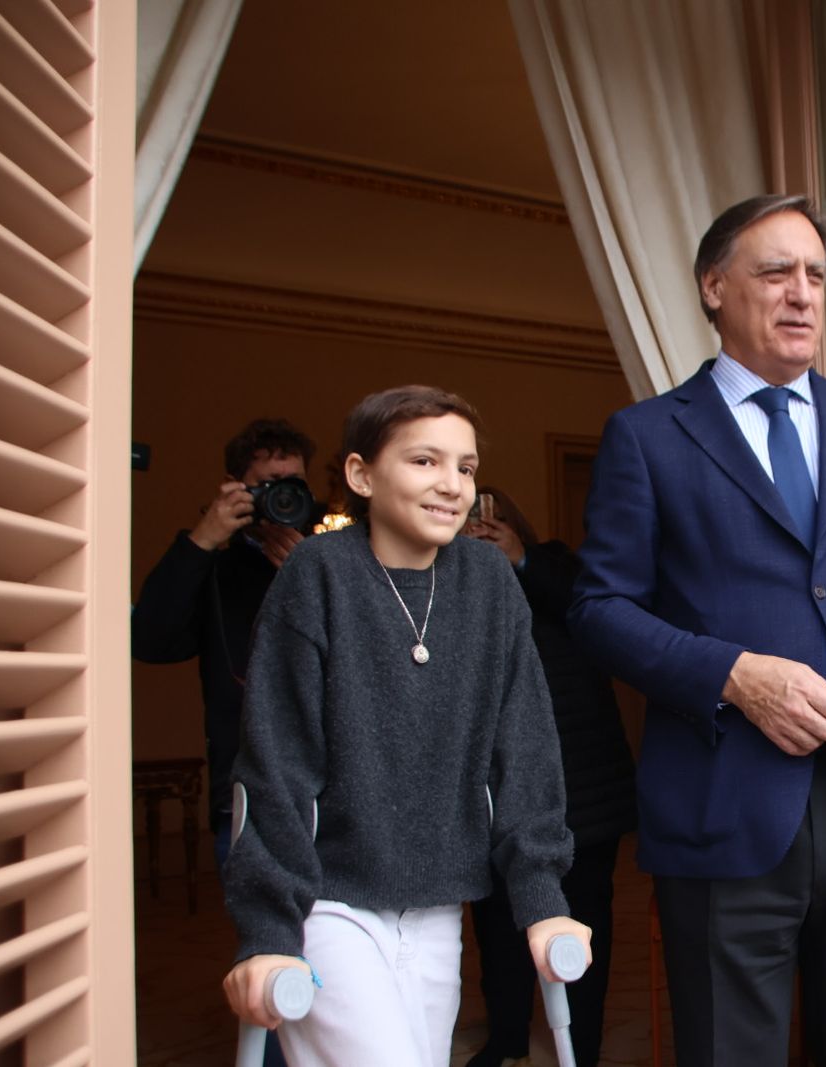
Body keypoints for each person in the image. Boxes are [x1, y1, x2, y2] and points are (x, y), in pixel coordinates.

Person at [568, 195, 826, 1066]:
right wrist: (733, 675)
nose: (802, 294)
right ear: (714, 287)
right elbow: (597, 611)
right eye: (775, 272)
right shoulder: (647, 438)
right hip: (723, 815)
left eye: (817, 276)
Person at [221, 385, 591, 1066]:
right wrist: (269, 928)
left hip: (438, 903)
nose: (451, 484)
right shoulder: (318, 574)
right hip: (328, 901)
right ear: (362, 474)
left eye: (466, 466)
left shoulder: (488, 580)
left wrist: (542, 895)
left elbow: (526, 750)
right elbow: (276, 764)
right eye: (425, 461)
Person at [464, 488, 636, 1067]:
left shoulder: (558, 566)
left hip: (585, 788)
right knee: (496, 924)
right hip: (494, 790)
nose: (477, 530)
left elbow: (594, 613)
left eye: (488, 520)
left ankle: (581, 1048)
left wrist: (521, 559)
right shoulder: (452, 587)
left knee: (586, 923)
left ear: (514, 523)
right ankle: (507, 1036)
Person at [131, 417, 316, 872]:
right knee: (268, 940)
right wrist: (203, 540)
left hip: (333, 792)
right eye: (269, 485)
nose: (283, 497)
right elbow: (152, 641)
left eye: (295, 485)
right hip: (245, 792)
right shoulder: (213, 566)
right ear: (235, 488)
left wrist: (308, 578)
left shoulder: (330, 561)